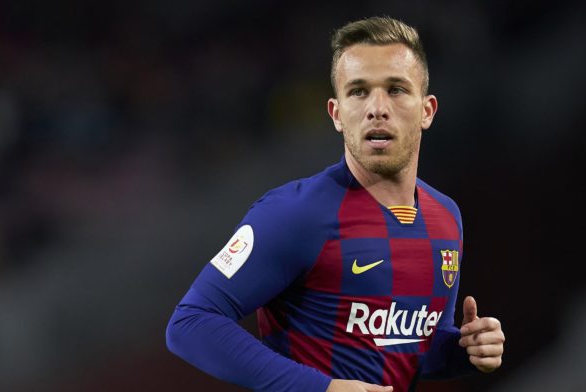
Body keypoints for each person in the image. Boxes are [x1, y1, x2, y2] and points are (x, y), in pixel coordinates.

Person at [166, 16, 505, 392]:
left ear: (426, 110)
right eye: (359, 91)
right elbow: (191, 322)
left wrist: (466, 350)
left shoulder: (445, 218)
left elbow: (411, 350)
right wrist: (323, 388)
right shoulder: (294, 213)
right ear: (337, 114)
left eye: (396, 89)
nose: (378, 107)